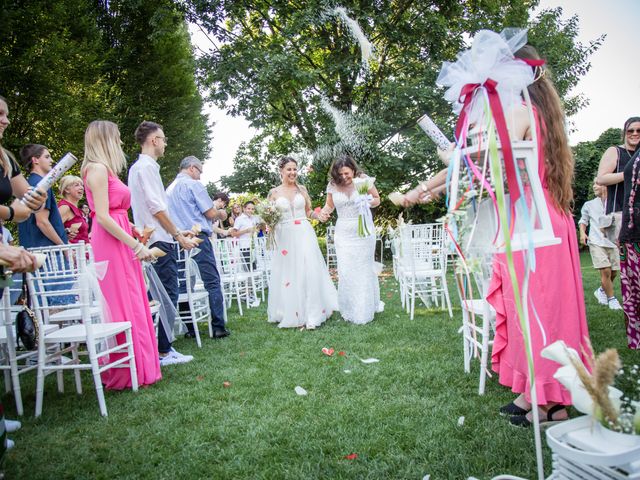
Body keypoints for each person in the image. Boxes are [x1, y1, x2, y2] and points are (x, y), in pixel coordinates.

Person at [400, 43, 591, 426]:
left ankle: (552, 403)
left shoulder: (518, 112)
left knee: (539, 313)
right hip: (544, 220)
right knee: (539, 311)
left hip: (534, 229)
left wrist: (426, 185)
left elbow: (475, 163)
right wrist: (434, 186)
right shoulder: (539, 113)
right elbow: (480, 168)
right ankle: (535, 393)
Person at [82, 120, 161, 389]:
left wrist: (134, 231)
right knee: (122, 302)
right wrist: (136, 245)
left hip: (122, 235)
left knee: (134, 297)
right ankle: (128, 371)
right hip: (110, 242)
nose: (119, 142)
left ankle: (142, 365)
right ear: (104, 139)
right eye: (115, 137)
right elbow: (102, 217)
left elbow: (115, 213)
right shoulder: (96, 169)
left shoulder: (108, 171)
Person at [128, 120, 197, 366]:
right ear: (154, 140)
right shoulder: (146, 168)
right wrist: (177, 236)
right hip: (158, 240)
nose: (165, 143)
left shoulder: (140, 168)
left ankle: (159, 347)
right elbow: (157, 209)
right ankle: (163, 350)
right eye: (164, 138)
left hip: (156, 237)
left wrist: (180, 231)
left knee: (157, 295)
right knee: (165, 295)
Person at [266, 156, 337, 329]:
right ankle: (289, 311)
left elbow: (308, 212)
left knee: (308, 269)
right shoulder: (274, 193)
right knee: (289, 271)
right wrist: (268, 223)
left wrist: (318, 216)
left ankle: (312, 312)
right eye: (289, 169)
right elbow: (269, 218)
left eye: (295, 169)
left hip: (304, 232)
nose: (292, 172)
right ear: (281, 171)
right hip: (285, 236)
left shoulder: (302, 189)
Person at [166, 156, 230, 339]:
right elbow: (210, 212)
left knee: (184, 284)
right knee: (212, 281)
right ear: (193, 168)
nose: (200, 176)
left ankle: (191, 329)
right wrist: (221, 214)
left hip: (177, 240)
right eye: (200, 172)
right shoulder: (194, 185)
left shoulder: (168, 189)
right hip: (198, 238)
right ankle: (218, 326)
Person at [318, 155, 382, 324]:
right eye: (341, 174)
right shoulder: (332, 185)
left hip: (363, 232)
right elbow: (329, 205)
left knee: (362, 269)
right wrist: (324, 213)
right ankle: (349, 308)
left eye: (346, 173)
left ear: (353, 170)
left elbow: (377, 200)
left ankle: (364, 309)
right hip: (343, 233)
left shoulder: (364, 181)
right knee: (346, 269)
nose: (344, 177)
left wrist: (366, 201)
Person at [578, 180, 622, 310]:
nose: (594, 186)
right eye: (593, 184)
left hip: (613, 242)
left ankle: (601, 291)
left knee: (614, 272)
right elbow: (583, 220)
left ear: (606, 185)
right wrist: (582, 233)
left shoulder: (615, 203)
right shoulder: (589, 204)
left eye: (597, 184)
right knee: (606, 271)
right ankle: (612, 299)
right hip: (596, 242)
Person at [596, 117, 640, 241]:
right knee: (623, 259)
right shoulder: (616, 151)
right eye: (630, 131)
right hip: (620, 216)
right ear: (624, 133)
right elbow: (601, 178)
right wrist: (630, 173)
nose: (635, 133)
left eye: (639, 130)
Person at [17, 144, 68, 248]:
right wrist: (64, 247)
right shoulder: (41, 185)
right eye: (47, 157)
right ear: (35, 160)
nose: (52, 160)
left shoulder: (28, 183)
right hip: (47, 250)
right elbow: (42, 222)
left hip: (33, 247)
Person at [617, 142, 640, 349]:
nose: (635, 134)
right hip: (631, 233)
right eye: (631, 130)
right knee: (634, 290)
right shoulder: (633, 157)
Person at [57, 175, 90, 244]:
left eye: (82, 185)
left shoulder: (77, 209)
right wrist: (68, 246)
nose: (81, 188)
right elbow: (53, 231)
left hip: (83, 251)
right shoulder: (65, 207)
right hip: (73, 252)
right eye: (76, 185)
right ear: (67, 190)